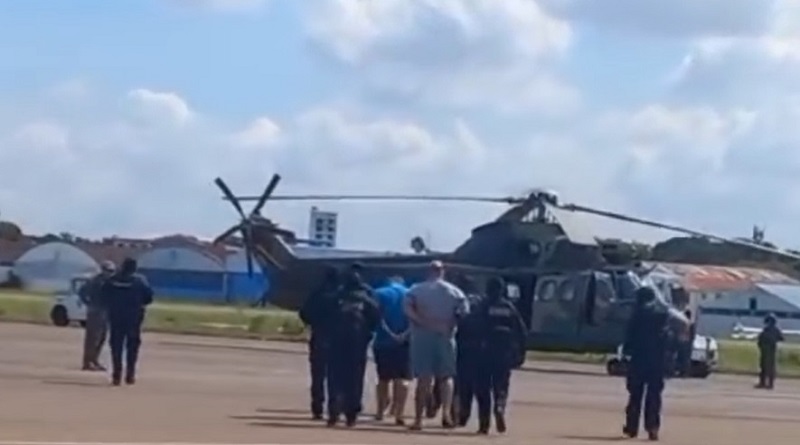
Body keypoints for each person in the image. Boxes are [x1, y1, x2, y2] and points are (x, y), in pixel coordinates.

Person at [404, 260, 468, 431]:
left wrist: (422, 321)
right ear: (443, 272)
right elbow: (464, 312)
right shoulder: (455, 291)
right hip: (445, 335)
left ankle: (418, 419)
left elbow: (408, 309)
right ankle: (446, 414)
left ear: (428, 271)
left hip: (422, 336)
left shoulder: (416, 290)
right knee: (446, 377)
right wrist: (450, 323)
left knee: (424, 378)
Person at [326, 269, 380, 427]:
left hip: (336, 342)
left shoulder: (335, 298)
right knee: (355, 378)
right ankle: (351, 413)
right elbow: (376, 317)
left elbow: (323, 316)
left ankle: (334, 411)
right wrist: (368, 333)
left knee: (335, 377)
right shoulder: (367, 300)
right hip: (358, 344)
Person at [473, 277, 526, 434]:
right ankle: (500, 406)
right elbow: (521, 331)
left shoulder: (482, 306)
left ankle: (484, 425)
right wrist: (521, 352)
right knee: (501, 385)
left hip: (484, 353)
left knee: (483, 389)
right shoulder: (509, 307)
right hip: (504, 353)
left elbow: (473, 328)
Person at [622, 287, 672, 441]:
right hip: (657, 361)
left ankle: (632, 427)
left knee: (635, 395)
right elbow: (667, 338)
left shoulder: (636, 315)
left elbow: (629, 338)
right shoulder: (662, 315)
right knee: (654, 396)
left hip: (638, 359)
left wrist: (626, 354)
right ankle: (652, 427)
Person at [100, 257, 154, 386]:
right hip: (134, 318)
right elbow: (149, 297)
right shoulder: (140, 281)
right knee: (132, 346)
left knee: (116, 346)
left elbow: (103, 295)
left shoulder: (112, 280)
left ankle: (116, 375)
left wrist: (111, 305)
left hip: (116, 317)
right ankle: (130, 374)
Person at [298, 266, 340, 420]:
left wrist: (313, 323)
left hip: (319, 336)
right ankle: (334, 407)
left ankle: (317, 407)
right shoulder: (340, 295)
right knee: (336, 375)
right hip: (337, 339)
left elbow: (303, 313)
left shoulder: (317, 294)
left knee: (317, 375)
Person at [372, 275, 411, 425]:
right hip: (405, 342)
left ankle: (380, 411)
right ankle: (399, 413)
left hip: (383, 341)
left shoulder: (379, 293)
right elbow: (415, 318)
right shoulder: (411, 293)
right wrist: (404, 334)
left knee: (383, 379)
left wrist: (389, 333)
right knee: (402, 379)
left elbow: (377, 317)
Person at [452, 275, 485, 427]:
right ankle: (464, 414)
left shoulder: (459, 300)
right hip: (478, 346)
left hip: (460, 344)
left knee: (458, 382)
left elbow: (456, 319)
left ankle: (457, 414)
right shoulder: (481, 301)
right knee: (471, 383)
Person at [78, 260, 115, 371]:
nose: (110, 273)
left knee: (102, 337)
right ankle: (87, 362)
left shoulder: (110, 282)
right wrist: (88, 303)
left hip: (105, 311)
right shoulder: (95, 281)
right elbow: (82, 291)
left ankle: (94, 360)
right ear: (103, 270)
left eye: (112, 271)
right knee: (92, 338)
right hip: (95, 311)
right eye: (108, 270)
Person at [756, 313, 784, 390]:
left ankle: (764, 383)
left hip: (767, 350)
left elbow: (760, 339)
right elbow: (781, 338)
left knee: (764, 366)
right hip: (771, 350)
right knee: (769, 367)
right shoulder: (775, 330)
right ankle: (769, 384)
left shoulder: (766, 330)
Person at [675, 309, 695, 377]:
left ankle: (684, 372)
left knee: (683, 358)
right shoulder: (689, 323)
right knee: (684, 358)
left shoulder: (686, 323)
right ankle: (683, 372)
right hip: (685, 342)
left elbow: (690, 334)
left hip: (684, 342)